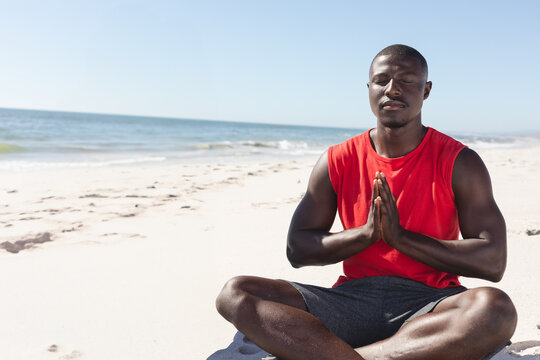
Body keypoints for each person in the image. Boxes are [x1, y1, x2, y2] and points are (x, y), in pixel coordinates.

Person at [215, 44, 517, 360]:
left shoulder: (460, 162)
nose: (393, 89)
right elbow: (298, 249)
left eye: (407, 81)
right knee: (236, 293)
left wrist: (400, 238)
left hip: (432, 304)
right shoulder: (337, 160)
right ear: (369, 88)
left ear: (426, 90)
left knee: (495, 309)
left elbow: (492, 261)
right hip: (351, 301)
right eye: (382, 80)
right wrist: (367, 234)